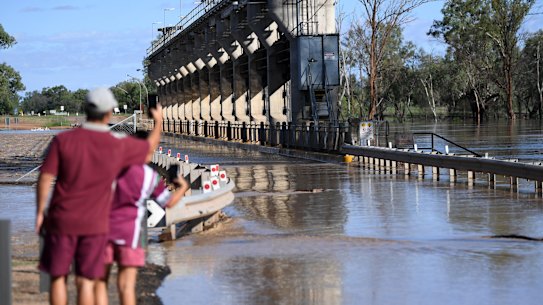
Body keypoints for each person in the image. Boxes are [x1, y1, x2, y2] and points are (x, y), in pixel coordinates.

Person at [36, 87, 163, 305]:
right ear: (109, 113)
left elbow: (46, 177)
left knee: (58, 277)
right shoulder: (117, 144)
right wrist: (158, 121)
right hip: (96, 223)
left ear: (86, 110)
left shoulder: (63, 141)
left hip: (62, 219)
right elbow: (148, 149)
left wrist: (40, 212)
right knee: (86, 281)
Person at [96, 131, 189, 305]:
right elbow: (168, 203)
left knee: (101, 282)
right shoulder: (148, 175)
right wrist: (182, 187)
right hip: (131, 233)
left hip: (104, 229)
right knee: (127, 286)